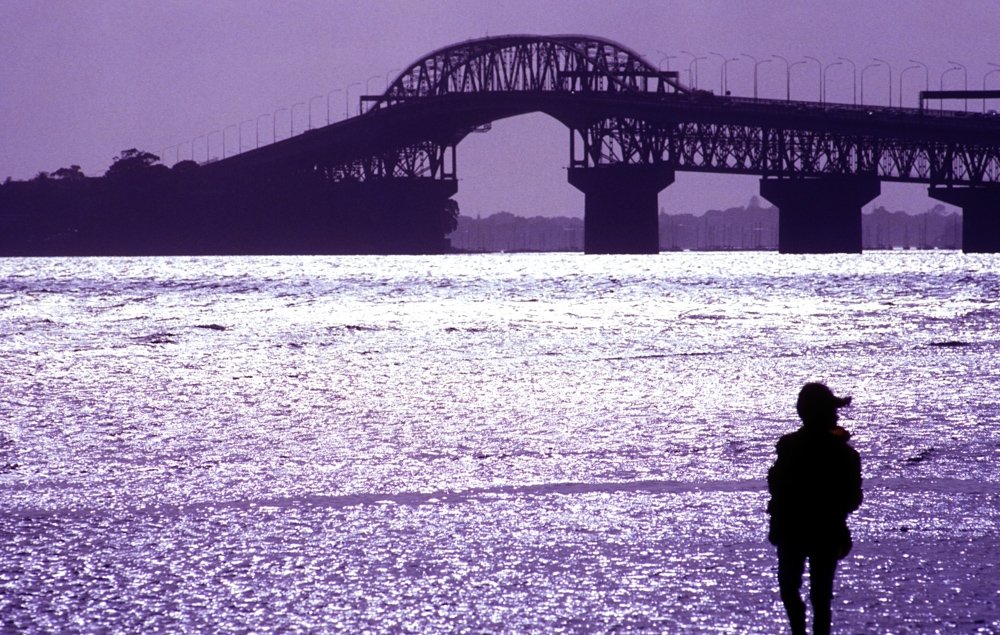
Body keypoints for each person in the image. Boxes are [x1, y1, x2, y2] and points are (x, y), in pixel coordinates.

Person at [767, 382, 863, 635]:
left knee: (793, 588)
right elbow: (853, 499)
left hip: (796, 528)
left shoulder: (789, 446)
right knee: (820, 595)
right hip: (823, 529)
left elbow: (776, 487)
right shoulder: (845, 454)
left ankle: (799, 632)